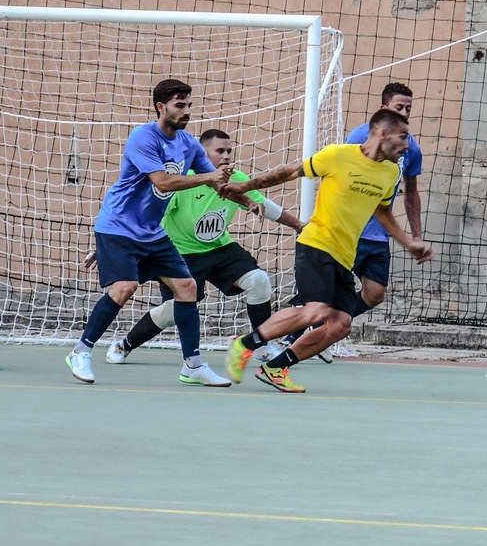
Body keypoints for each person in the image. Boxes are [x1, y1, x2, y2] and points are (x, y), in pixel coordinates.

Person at [222, 108, 432, 391]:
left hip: (344, 255)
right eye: (403, 136)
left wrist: (408, 243)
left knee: (340, 324)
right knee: (316, 310)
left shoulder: (391, 171)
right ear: (383, 133)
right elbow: (290, 172)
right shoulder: (337, 155)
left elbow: (382, 210)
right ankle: (244, 344)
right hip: (316, 244)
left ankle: (276, 367)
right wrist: (244, 187)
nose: (407, 144)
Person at [65, 78, 232, 387]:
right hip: (118, 226)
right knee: (125, 287)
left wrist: (248, 198)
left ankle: (193, 366)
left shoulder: (189, 144)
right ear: (161, 107)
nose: (186, 111)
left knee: (187, 287)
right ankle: (81, 351)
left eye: (189, 105)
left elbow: (216, 183)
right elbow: (163, 183)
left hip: (151, 232)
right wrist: (210, 177)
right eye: (179, 105)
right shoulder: (143, 137)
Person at [103, 127, 300, 363]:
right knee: (173, 311)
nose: (226, 156)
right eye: (219, 151)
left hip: (220, 249)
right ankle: (124, 345)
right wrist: (118, 243)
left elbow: (263, 205)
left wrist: (298, 224)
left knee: (259, 281)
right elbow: (146, 215)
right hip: (181, 253)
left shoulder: (237, 180)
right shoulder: (184, 182)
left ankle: (260, 346)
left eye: (229, 151)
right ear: (202, 154)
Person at [266, 81, 424, 366]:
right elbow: (339, 174)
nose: (405, 112)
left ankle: (321, 330)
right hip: (348, 232)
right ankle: (289, 338)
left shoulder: (409, 147)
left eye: (409, 108)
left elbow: (410, 193)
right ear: (384, 109)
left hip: (378, 235)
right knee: (319, 302)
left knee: (374, 295)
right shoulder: (360, 137)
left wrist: (415, 236)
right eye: (399, 107)